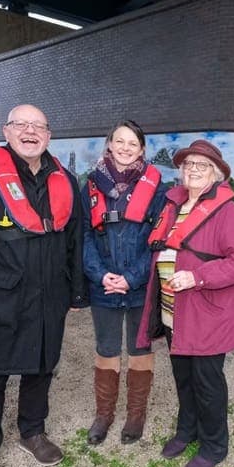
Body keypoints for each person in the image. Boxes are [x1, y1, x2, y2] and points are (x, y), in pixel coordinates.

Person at [0, 104, 88, 467]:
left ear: (49, 135)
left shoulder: (63, 177)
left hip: (50, 292)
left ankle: (33, 431)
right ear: (6, 131)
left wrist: (77, 289)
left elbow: (75, 240)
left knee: (42, 366)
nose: (30, 132)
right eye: (21, 125)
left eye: (39, 127)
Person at [136, 139, 234, 467]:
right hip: (175, 313)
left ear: (215, 173)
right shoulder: (173, 206)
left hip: (207, 314)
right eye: (188, 165)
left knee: (207, 383)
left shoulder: (225, 210)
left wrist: (199, 276)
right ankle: (187, 431)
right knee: (183, 379)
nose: (193, 171)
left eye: (202, 166)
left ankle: (214, 445)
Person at [82, 120, 166, 446]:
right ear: (110, 144)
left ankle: (135, 414)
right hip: (102, 285)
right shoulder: (90, 185)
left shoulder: (158, 190)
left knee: (140, 348)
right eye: (120, 141)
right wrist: (100, 274)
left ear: (142, 149)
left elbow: (159, 241)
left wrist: (131, 278)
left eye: (133, 143)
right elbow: (85, 236)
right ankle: (104, 414)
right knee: (106, 349)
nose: (126, 148)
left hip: (140, 287)